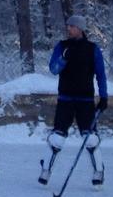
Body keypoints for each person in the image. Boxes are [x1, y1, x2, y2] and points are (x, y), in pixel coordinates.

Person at [39, 14, 107, 187]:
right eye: (67, 26)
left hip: (85, 100)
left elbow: (100, 74)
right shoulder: (62, 46)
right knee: (57, 138)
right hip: (65, 99)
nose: (68, 29)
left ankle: (98, 171)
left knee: (90, 139)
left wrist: (104, 96)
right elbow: (54, 69)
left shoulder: (92, 49)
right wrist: (63, 59)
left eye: (72, 26)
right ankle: (46, 170)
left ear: (80, 28)